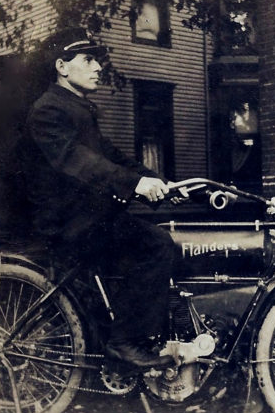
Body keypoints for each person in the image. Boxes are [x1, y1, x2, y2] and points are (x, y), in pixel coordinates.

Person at [20, 27, 174, 368]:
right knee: (158, 246)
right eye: (88, 59)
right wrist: (134, 186)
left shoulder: (77, 108)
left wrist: (157, 181)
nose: (97, 67)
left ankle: (153, 332)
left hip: (89, 218)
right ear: (62, 66)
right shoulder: (48, 110)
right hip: (68, 223)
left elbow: (110, 155)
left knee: (156, 242)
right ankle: (125, 340)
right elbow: (76, 159)